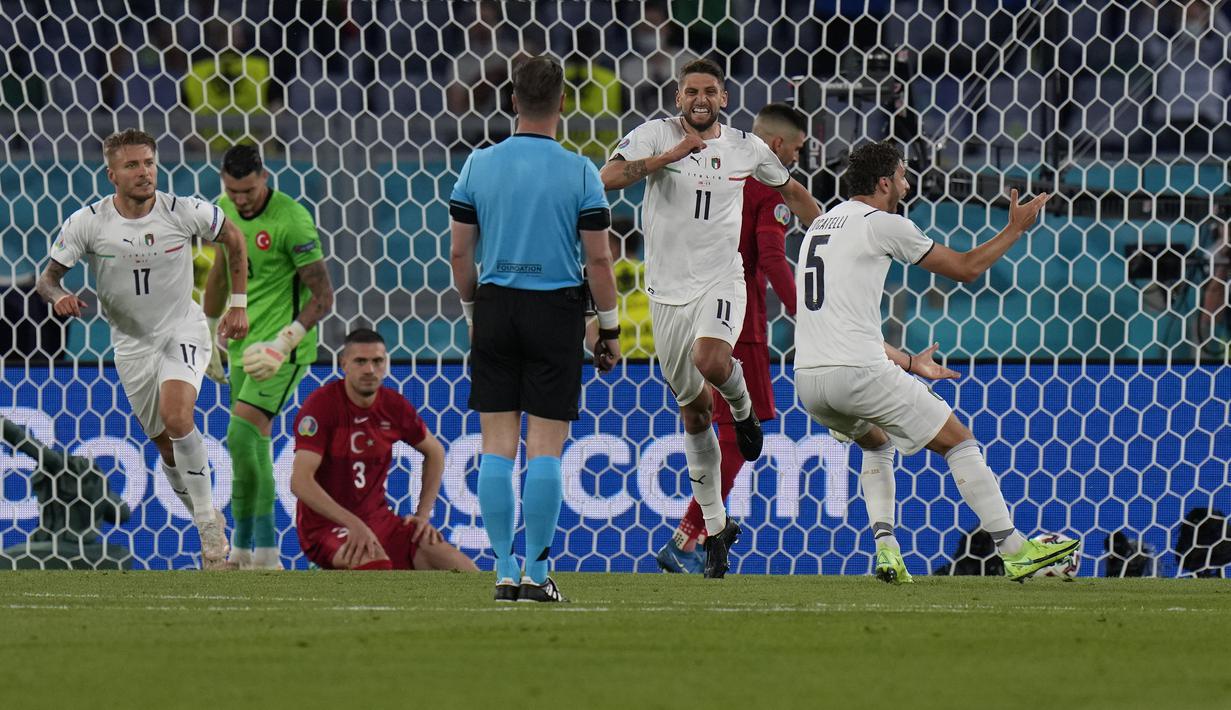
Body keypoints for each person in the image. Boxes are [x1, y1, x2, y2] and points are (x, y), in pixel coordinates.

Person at [792, 140, 1079, 584]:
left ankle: (887, 550)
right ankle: (1015, 549)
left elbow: (840, 323)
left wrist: (908, 361)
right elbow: (965, 268)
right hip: (857, 371)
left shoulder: (822, 225)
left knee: (876, 443)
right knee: (959, 443)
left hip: (809, 381)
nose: (907, 184)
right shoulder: (884, 224)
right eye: (903, 176)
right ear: (885, 182)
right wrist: (1016, 229)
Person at [600, 58, 821, 579]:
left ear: (724, 98)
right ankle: (716, 528)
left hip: (722, 281)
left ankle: (742, 411)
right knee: (694, 413)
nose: (700, 99)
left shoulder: (746, 147)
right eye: (691, 91)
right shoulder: (654, 135)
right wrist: (669, 156)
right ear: (679, 98)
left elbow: (791, 191)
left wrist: (840, 229)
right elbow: (607, 178)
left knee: (711, 358)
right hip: (667, 295)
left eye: (710, 91)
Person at [34, 128, 250, 569]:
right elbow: (47, 278)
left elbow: (234, 239)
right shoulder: (88, 222)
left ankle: (209, 532)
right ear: (112, 173)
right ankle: (206, 519)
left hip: (182, 330)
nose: (144, 172)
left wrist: (238, 305)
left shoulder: (182, 210)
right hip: (132, 346)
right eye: (132, 165)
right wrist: (58, 297)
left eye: (149, 162)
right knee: (168, 451)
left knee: (178, 417)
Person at [449, 55, 620, 602]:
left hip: (496, 307)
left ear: (513, 102)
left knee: (497, 446)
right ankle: (536, 572)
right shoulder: (582, 172)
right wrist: (609, 330)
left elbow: (458, 252)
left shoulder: (478, 165)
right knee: (545, 448)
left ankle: (501, 569)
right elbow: (598, 261)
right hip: (556, 312)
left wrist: (476, 315)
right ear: (563, 104)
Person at [202, 144, 335, 569]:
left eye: (247, 189)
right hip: (241, 345)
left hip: (282, 351)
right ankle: (256, 555)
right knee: (248, 448)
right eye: (232, 190)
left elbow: (323, 296)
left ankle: (252, 548)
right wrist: (207, 332)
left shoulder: (291, 219)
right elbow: (220, 273)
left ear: (264, 176)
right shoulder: (222, 209)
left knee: (239, 437)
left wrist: (284, 344)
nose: (240, 199)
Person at [290, 328, 476, 572]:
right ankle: (328, 570)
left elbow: (436, 452)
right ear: (343, 364)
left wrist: (423, 514)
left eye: (377, 361)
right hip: (326, 527)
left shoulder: (393, 406)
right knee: (376, 566)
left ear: (386, 364)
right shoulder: (321, 406)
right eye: (360, 361)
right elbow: (300, 482)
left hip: (380, 522)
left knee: (462, 570)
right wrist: (353, 523)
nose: (369, 370)